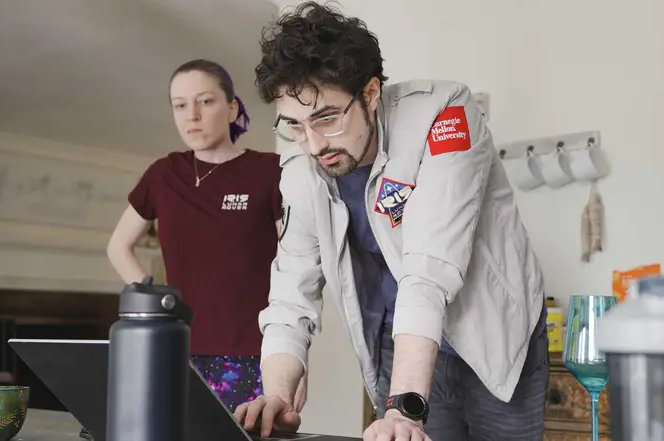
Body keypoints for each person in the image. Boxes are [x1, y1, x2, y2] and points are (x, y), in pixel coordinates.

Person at [233, 3, 548, 441]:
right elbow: (291, 291)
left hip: (491, 336)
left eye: (327, 118)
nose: (313, 143)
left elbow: (428, 271)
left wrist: (403, 409)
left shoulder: (445, 114)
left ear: (371, 93)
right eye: (295, 125)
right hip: (398, 343)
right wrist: (278, 395)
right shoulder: (300, 160)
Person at [106, 59, 307, 413]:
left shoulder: (269, 172)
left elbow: (296, 266)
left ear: (231, 109)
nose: (192, 115)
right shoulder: (163, 175)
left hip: (255, 356)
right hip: (174, 351)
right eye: (180, 105)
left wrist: (294, 356)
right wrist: (160, 304)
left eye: (205, 101)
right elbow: (118, 247)